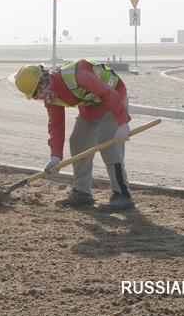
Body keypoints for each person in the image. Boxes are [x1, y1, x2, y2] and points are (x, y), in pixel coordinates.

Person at [15, 60, 133, 211]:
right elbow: (56, 125)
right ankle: (82, 193)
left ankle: (122, 195)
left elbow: (108, 93)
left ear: (43, 81)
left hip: (113, 98)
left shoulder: (77, 76)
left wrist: (123, 122)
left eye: (37, 92)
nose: (39, 97)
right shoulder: (51, 96)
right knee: (78, 142)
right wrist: (55, 157)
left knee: (108, 144)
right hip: (90, 106)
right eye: (35, 95)